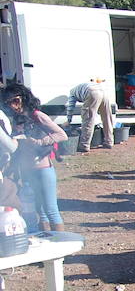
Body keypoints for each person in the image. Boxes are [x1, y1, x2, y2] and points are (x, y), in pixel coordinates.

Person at [2, 83, 67, 231]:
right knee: (40, 211)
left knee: (51, 209)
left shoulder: (37, 115)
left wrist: (39, 142)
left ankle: (60, 245)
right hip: (27, 170)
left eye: (15, 101)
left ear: (23, 98)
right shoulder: (16, 120)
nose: (12, 106)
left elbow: (61, 135)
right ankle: (46, 243)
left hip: (43, 168)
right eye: (8, 103)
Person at [66, 80, 115, 153]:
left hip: (92, 92)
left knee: (88, 119)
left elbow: (70, 108)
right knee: (107, 118)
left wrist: (68, 120)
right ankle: (109, 142)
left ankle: (84, 145)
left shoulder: (72, 93)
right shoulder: (79, 88)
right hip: (103, 92)